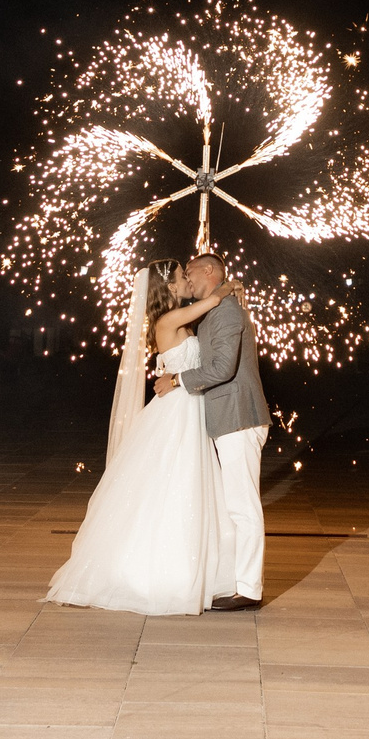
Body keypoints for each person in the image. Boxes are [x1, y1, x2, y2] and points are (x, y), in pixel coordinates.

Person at [44, 261, 231, 616]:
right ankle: (161, 572)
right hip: (177, 411)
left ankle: (192, 566)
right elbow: (212, 302)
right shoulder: (168, 321)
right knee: (174, 481)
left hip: (186, 407)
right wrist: (226, 286)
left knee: (183, 483)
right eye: (181, 276)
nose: (186, 279)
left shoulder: (177, 318)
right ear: (170, 287)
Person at [155, 252, 272, 611]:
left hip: (239, 415)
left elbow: (222, 368)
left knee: (243, 506)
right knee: (235, 504)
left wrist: (176, 379)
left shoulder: (225, 311)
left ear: (208, 271)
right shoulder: (217, 307)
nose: (187, 281)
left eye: (190, 273)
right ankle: (238, 580)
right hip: (228, 417)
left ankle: (249, 589)